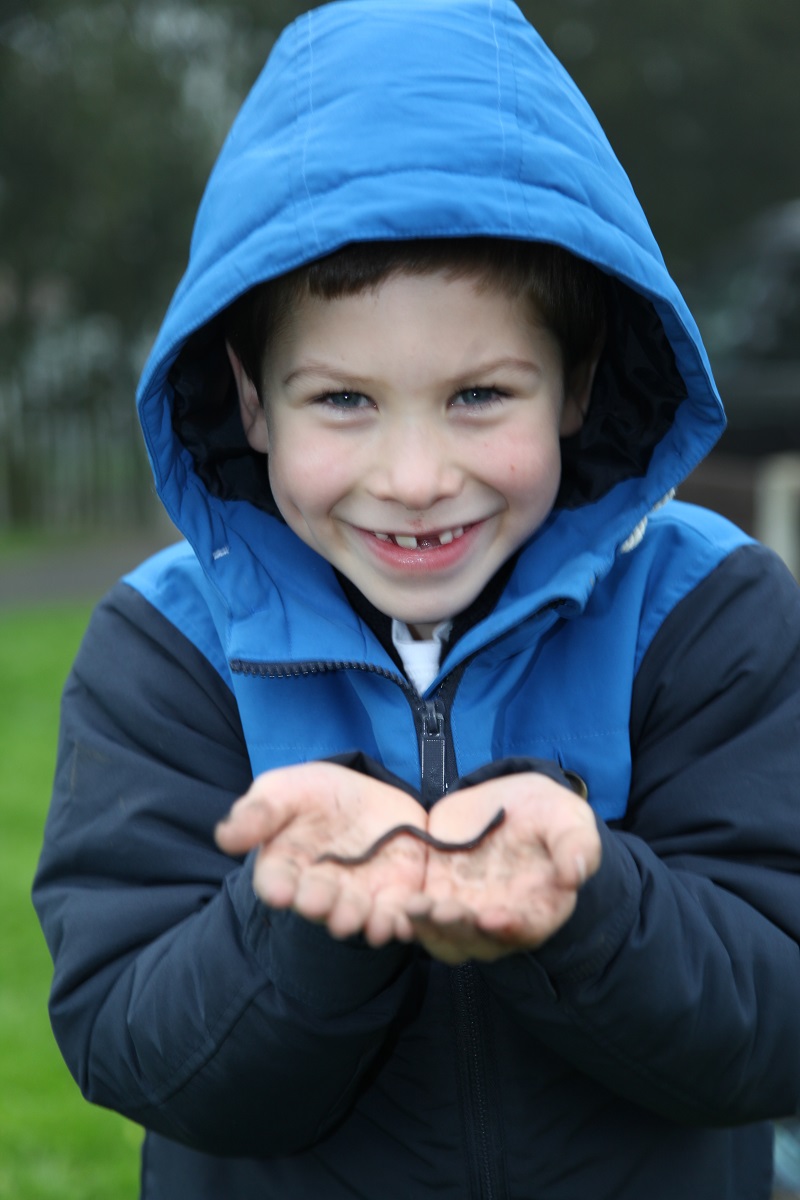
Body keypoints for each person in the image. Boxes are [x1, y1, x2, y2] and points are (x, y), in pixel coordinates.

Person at [32, 1, 800, 1197]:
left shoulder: (706, 612)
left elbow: (772, 1021)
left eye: (479, 395)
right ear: (247, 402)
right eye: (341, 401)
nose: (413, 477)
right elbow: (136, 1048)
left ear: (577, 384)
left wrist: (587, 902)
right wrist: (307, 921)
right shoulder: (165, 649)